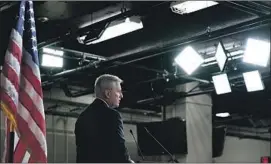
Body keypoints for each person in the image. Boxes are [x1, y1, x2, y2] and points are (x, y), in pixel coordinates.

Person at [74, 74, 134, 163]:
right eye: (118, 91)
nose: (121, 96)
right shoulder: (112, 115)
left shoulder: (82, 117)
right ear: (108, 93)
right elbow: (119, 149)